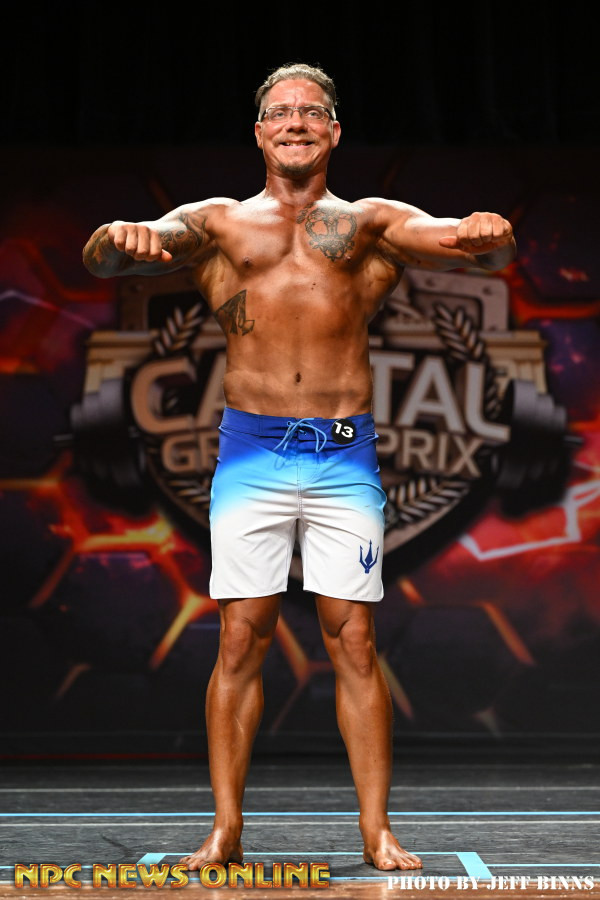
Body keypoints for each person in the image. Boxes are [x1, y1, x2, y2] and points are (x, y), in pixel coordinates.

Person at [82, 63, 516, 872]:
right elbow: (112, 259)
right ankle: (226, 830)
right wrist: (116, 237)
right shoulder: (216, 224)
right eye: (280, 112)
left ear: (334, 130)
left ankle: (377, 830)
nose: (295, 122)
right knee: (240, 638)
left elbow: (471, 249)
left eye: (311, 112)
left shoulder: (371, 223)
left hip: (341, 455)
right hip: (252, 453)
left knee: (353, 638)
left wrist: (489, 232)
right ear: (258, 132)